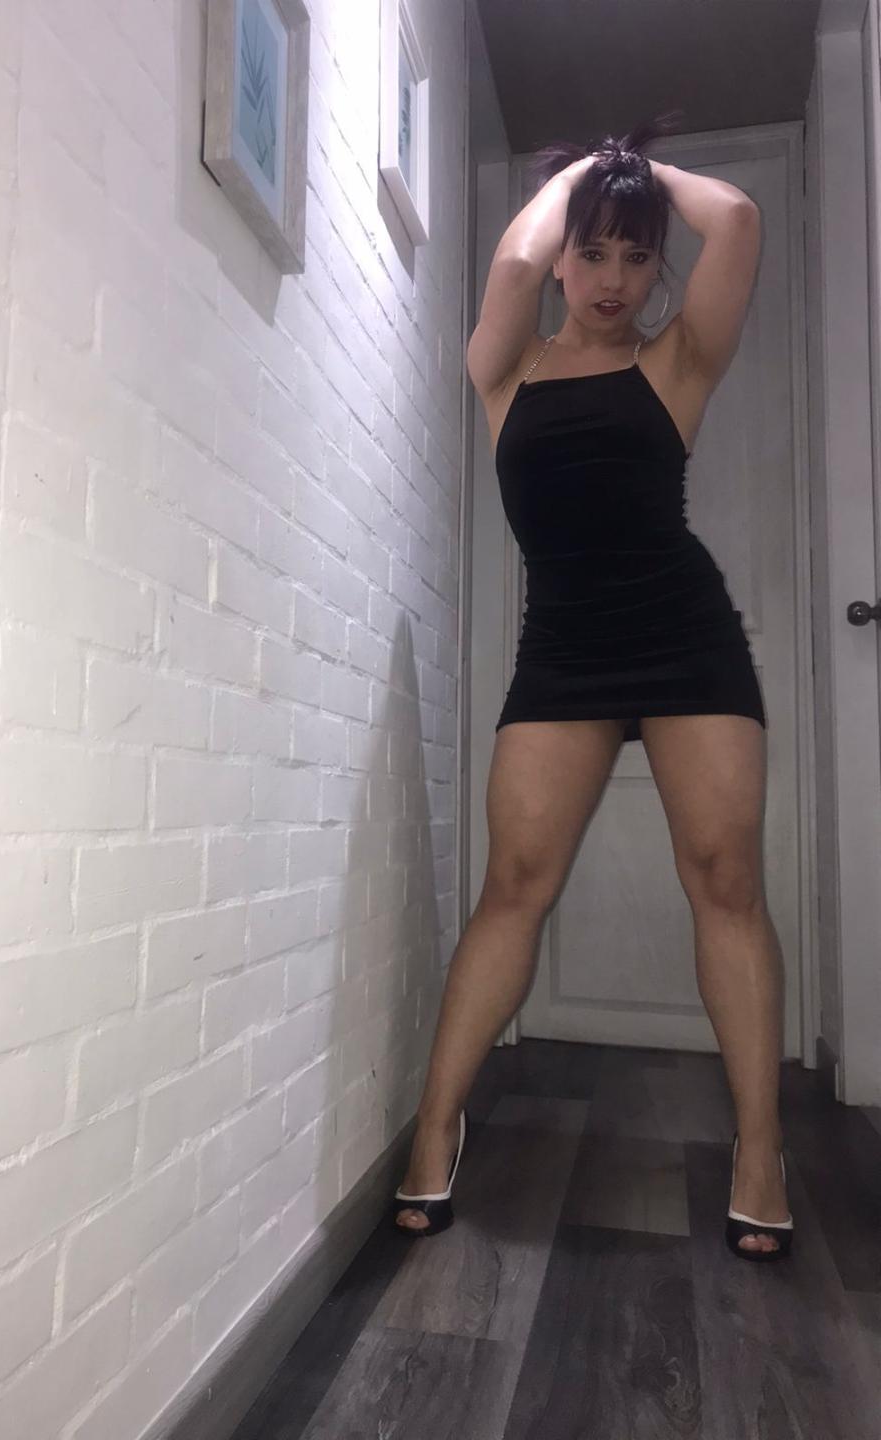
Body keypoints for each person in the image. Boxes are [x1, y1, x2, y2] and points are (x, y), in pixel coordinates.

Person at [391, 115, 793, 1261]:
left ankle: (761, 1151)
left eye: (636, 255)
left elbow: (739, 220)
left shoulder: (676, 362)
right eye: (595, 251)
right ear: (566, 257)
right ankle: (436, 1127)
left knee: (725, 879)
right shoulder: (504, 369)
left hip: (684, 638)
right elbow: (512, 262)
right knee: (514, 884)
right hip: (565, 646)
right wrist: (583, 174)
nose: (614, 277)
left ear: (656, 269)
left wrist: (640, 169)